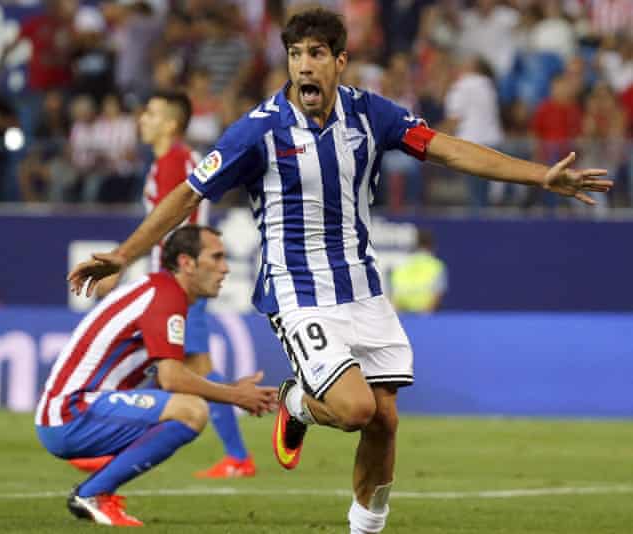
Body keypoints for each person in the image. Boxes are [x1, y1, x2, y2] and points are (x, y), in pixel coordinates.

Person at [67, 8, 612, 534]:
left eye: (317, 54)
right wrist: (125, 254)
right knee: (354, 408)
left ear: (340, 61)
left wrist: (542, 177)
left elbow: (448, 151)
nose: (305, 66)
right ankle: (296, 402)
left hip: (362, 288)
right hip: (298, 291)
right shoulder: (256, 131)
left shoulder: (372, 114)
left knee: (386, 420)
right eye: (296, 55)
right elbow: (187, 195)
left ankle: (364, 530)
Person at [37, 225, 277, 526]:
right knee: (191, 411)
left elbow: (170, 378)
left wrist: (231, 389)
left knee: (185, 404)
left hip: (75, 411)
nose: (225, 268)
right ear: (187, 263)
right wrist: (235, 396)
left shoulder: (160, 290)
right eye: (216, 258)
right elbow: (173, 379)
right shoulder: (166, 298)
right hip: (73, 413)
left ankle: (100, 477)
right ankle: (94, 493)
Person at [91, 90, 257, 479]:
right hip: (176, 280)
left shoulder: (172, 162)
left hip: (178, 283)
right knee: (165, 368)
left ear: (170, 123)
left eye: (150, 113)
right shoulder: (174, 160)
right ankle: (117, 448)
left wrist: (124, 264)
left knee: (193, 367)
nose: (141, 120)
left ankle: (237, 457)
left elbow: (167, 224)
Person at [390, 229, 447, 313]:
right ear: (432, 246)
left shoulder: (401, 264)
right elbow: (437, 295)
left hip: (402, 315)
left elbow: (394, 294)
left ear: (415, 245)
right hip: (425, 316)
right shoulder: (436, 266)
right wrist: (425, 317)